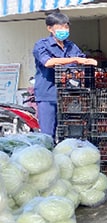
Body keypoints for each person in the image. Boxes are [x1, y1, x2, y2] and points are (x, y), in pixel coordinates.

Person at [33, 11, 97, 140]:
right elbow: (48, 62)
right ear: (50, 28)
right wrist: (74, 60)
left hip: (70, 96)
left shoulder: (71, 46)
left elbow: (82, 61)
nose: (64, 30)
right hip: (48, 95)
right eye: (60, 27)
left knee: (71, 132)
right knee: (47, 135)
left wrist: (90, 62)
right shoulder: (41, 45)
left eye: (66, 27)